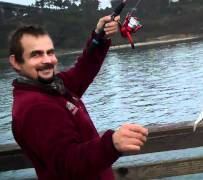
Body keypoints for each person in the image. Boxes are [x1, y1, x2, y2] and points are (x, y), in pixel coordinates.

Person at [9, 15, 148, 180]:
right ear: (16, 62)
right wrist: (112, 144)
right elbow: (68, 163)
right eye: (36, 55)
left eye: (50, 52)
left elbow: (83, 71)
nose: (47, 60)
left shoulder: (52, 87)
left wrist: (100, 37)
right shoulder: (36, 107)